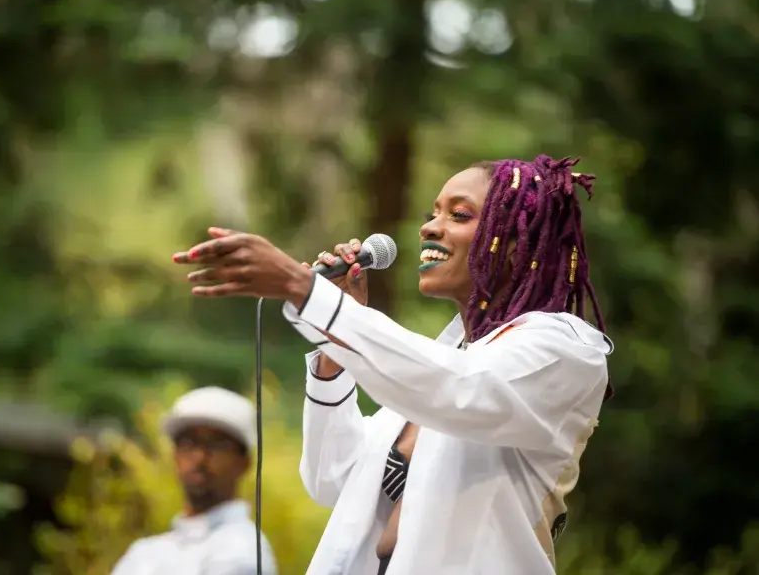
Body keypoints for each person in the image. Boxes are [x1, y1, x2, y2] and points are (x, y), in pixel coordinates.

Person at [172, 155, 614, 574]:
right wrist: (333, 348)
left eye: (459, 216)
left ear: (519, 246)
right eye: (432, 214)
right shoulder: (433, 373)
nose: (430, 228)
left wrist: (303, 287)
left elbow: (459, 389)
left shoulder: (565, 349)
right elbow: (330, 478)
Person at [110, 386, 277, 575]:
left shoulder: (243, 550)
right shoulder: (144, 553)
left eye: (216, 444)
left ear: (244, 462)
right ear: (174, 455)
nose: (199, 456)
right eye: (189, 442)